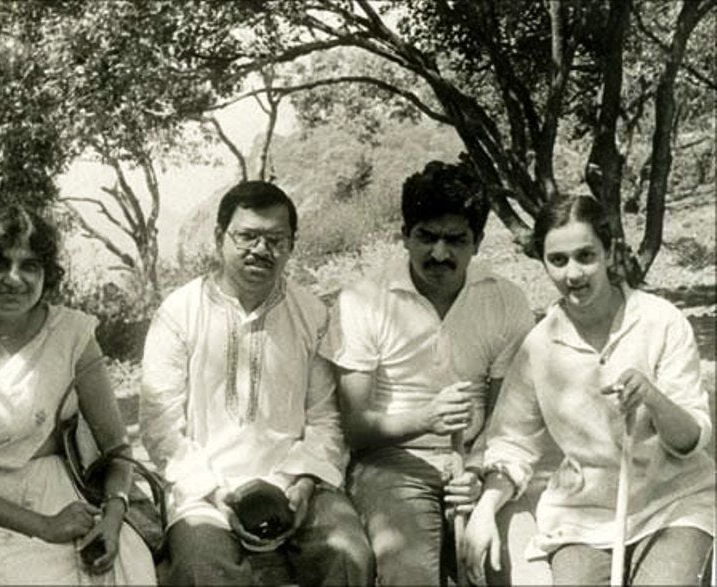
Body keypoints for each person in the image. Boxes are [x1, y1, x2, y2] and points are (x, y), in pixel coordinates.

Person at [463, 195, 715, 586]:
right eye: (558, 260)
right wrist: (484, 510)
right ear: (543, 262)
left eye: (585, 256)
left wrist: (652, 396)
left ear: (610, 251)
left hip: (673, 505)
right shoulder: (539, 346)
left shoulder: (660, 321)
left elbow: (690, 440)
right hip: (584, 518)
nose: (573, 273)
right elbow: (511, 445)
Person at [140, 180, 374, 586]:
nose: (261, 249)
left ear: (291, 245)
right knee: (201, 570)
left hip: (299, 484)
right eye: (247, 236)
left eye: (275, 240)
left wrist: (302, 484)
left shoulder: (312, 315)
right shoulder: (179, 313)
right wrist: (213, 492)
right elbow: (160, 425)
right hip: (205, 491)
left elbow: (326, 418)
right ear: (220, 237)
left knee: (349, 555)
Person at [322, 160, 536, 585]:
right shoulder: (364, 299)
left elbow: (507, 422)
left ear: (477, 242)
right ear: (405, 235)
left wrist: (478, 473)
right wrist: (425, 418)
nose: (439, 254)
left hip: (479, 458)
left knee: (520, 566)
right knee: (411, 575)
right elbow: (355, 428)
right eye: (427, 237)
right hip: (389, 462)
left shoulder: (506, 300)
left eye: (456, 240)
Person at [0, 205, 156, 585]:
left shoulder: (72, 334)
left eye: (29, 266)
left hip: (63, 492)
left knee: (131, 567)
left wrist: (112, 519)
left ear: (46, 274)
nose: (14, 279)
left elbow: (117, 447)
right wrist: (44, 526)